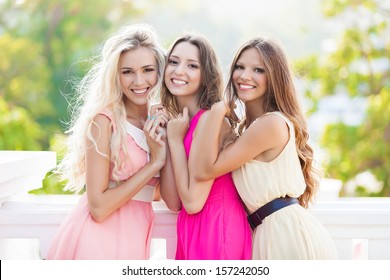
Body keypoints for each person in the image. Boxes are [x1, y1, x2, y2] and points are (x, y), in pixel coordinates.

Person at [194, 37, 338, 259]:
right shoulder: (249, 129)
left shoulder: (270, 124)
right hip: (269, 231)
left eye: (258, 69)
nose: (245, 76)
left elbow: (203, 170)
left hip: (285, 235)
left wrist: (216, 112)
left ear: (274, 77)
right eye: (239, 67)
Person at [47, 23, 178, 260]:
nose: (139, 81)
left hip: (135, 236)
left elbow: (163, 197)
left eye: (147, 70)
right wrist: (154, 163)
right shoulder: (104, 122)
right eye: (127, 71)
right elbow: (98, 207)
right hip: (97, 240)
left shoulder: (160, 122)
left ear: (159, 72)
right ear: (115, 75)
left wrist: (168, 140)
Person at [161, 33, 252, 260]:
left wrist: (174, 141)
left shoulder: (210, 120)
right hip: (192, 229)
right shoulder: (182, 125)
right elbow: (174, 202)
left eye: (192, 65)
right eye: (173, 62)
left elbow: (192, 201)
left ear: (206, 75)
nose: (178, 71)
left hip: (217, 229)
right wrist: (164, 142)